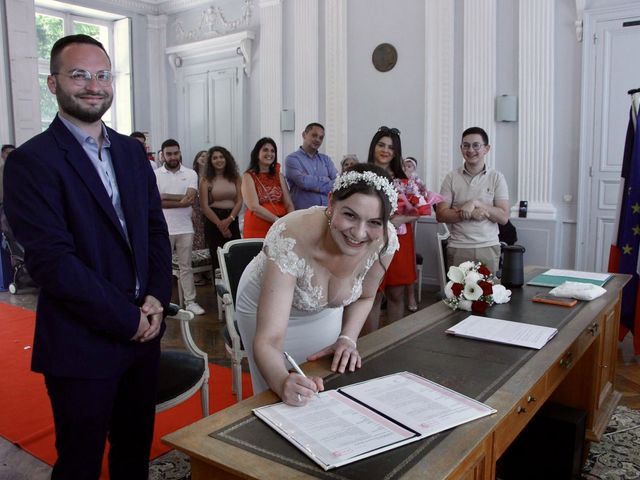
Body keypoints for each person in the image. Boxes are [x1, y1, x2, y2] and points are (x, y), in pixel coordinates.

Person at [3, 34, 172, 479]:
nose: (93, 85)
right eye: (78, 75)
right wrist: (127, 317)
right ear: (53, 83)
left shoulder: (133, 153)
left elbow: (155, 229)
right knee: (79, 461)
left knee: (134, 453)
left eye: (101, 75)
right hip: (82, 340)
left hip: (144, 331)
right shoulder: (31, 162)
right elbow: (52, 262)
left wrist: (156, 296)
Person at [236, 163, 399, 404]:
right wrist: (282, 381)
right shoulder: (291, 235)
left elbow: (365, 296)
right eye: (350, 215)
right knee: (278, 395)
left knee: (322, 385)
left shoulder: (384, 242)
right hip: (264, 303)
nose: (359, 233)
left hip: (325, 309)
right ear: (331, 203)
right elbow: (269, 339)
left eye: (375, 222)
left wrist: (347, 338)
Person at [364, 126, 419, 332]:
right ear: (374, 147)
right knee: (373, 292)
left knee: (396, 293)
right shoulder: (362, 173)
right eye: (381, 145)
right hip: (370, 239)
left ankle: (391, 342)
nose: (385, 150)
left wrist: (400, 219)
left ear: (396, 152)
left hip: (400, 239)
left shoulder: (404, 179)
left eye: (391, 147)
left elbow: (418, 210)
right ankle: (369, 344)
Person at [436, 127, 509, 274]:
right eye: (466, 145)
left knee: (486, 296)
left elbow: (503, 217)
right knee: (459, 296)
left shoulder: (496, 177)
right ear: (461, 148)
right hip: (458, 248)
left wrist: (477, 203)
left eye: (476, 145)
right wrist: (469, 213)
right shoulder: (451, 177)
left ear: (486, 149)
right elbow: (441, 214)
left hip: (488, 247)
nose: (470, 150)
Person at [155, 138, 206, 315]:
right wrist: (181, 200)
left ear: (180, 153)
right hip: (163, 228)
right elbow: (157, 201)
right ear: (162, 155)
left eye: (176, 153)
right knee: (163, 267)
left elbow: (191, 198)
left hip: (185, 227)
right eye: (169, 154)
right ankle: (164, 302)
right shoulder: (155, 174)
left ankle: (190, 301)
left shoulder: (191, 173)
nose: (173, 157)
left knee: (186, 266)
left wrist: (165, 197)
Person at [199, 146, 242, 270]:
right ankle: (219, 289)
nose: (219, 160)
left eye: (221, 157)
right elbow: (204, 206)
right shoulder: (205, 180)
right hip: (213, 221)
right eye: (215, 158)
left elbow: (239, 201)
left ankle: (234, 289)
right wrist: (221, 225)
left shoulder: (235, 177)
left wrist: (229, 220)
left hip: (232, 220)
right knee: (217, 261)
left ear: (227, 159)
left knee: (235, 258)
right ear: (210, 161)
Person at [241, 137, 294, 238]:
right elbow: (253, 206)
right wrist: (277, 221)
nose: (269, 153)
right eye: (265, 150)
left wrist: (290, 222)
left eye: (272, 151)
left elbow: (289, 203)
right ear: (257, 153)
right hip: (258, 226)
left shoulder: (279, 175)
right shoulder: (248, 176)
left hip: (281, 226)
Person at [285, 122, 337, 209]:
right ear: (304, 135)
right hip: (303, 213)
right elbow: (303, 182)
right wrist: (326, 180)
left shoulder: (326, 159)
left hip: (326, 211)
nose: (317, 140)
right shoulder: (292, 159)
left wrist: (311, 182)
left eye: (321, 138)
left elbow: (337, 182)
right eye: (314, 135)